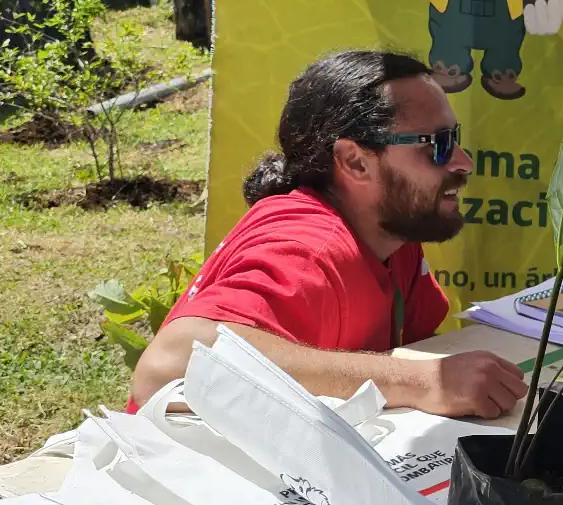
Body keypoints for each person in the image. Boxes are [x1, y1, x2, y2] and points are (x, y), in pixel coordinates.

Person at [131, 50, 526, 418]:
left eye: (455, 138)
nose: (463, 162)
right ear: (355, 162)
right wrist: (420, 382)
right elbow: (167, 367)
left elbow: (419, 351)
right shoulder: (309, 251)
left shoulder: (393, 231)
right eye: (438, 145)